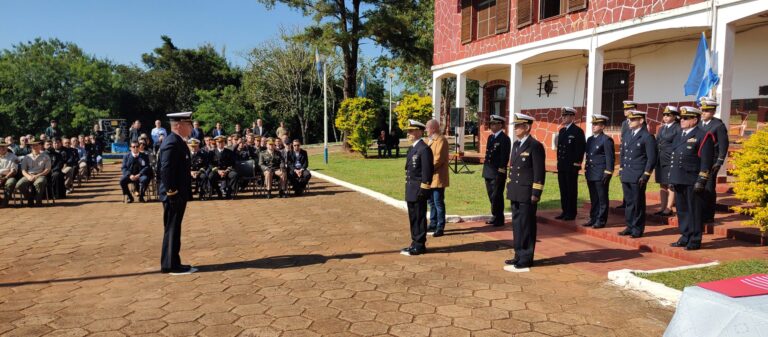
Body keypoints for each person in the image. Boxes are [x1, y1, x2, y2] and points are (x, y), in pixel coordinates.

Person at [669, 106, 715, 251]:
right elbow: (675, 158)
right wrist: (672, 178)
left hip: (692, 180)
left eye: (686, 118)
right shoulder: (679, 134)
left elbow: (706, 161)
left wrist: (701, 180)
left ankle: (695, 239)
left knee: (694, 211)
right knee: (682, 210)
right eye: (681, 118)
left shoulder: (703, 136)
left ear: (695, 119)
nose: (682, 120)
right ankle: (685, 236)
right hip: (679, 178)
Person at [504, 113, 545, 273]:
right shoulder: (515, 145)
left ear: (527, 127)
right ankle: (518, 253)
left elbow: (539, 172)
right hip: (515, 191)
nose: (515, 128)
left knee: (526, 225)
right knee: (516, 225)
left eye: (518, 126)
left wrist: (536, 192)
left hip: (527, 192)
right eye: (515, 126)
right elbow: (513, 168)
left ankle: (526, 257)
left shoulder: (535, 146)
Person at [158, 111, 196, 275]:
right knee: (172, 228)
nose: (191, 127)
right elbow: (166, 170)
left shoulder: (177, 141)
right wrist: (172, 193)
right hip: (173, 194)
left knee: (174, 227)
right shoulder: (171, 143)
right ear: (179, 125)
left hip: (178, 193)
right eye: (189, 124)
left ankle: (173, 261)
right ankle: (170, 265)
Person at [618, 110, 657, 238]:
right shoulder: (628, 134)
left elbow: (651, 158)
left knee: (638, 203)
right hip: (627, 173)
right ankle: (629, 226)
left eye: (633, 119)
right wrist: (622, 168)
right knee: (629, 202)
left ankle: (637, 228)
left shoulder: (647, 136)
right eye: (629, 119)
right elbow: (623, 154)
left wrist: (646, 174)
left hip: (638, 175)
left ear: (641, 121)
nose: (630, 121)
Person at [401, 120, 434, 256]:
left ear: (420, 132)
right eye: (408, 131)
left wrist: (424, 190)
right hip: (411, 189)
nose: (409, 133)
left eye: (411, 131)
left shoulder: (424, 149)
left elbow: (427, 172)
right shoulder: (413, 148)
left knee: (419, 217)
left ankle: (420, 245)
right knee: (413, 217)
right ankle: (414, 242)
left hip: (419, 190)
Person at [698, 97, 729, 223]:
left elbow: (723, 145)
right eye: (702, 110)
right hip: (699, 160)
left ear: (713, 111)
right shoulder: (699, 124)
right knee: (699, 186)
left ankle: (709, 215)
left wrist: (719, 161)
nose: (703, 113)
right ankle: (700, 211)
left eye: (706, 110)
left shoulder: (718, 125)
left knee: (709, 187)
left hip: (712, 161)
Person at [583, 114, 615, 229]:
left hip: (601, 173)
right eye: (593, 124)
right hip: (591, 172)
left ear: (602, 126)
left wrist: (608, 171)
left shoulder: (606, 140)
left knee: (602, 198)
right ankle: (593, 218)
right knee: (593, 198)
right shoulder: (590, 139)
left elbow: (609, 157)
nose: (594, 126)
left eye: (596, 124)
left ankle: (601, 220)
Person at [555, 107, 585, 221]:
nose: (563, 117)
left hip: (571, 166)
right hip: (562, 165)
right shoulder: (562, 131)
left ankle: (571, 212)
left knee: (571, 189)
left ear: (572, 117)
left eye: (566, 116)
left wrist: (577, 163)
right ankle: (564, 211)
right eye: (562, 115)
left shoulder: (577, 131)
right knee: (563, 189)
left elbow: (580, 149)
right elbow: (559, 149)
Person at [482, 115, 511, 227]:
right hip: (488, 171)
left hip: (497, 172)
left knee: (497, 195)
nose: (491, 126)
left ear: (500, 125)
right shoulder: (491, 137)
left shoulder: (504, 139)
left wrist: (500, 172)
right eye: (491, 124)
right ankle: (495, 215)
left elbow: (504, 157)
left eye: (494, 124)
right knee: (491, 195)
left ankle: (499, 218)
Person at [655, 106, 681, 216]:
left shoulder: (677, 128)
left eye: (668, 115)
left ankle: (669, 207)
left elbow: (677, 145)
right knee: (662, 184)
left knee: (671, 185)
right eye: (664, 115)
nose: (665, 117)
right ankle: (662, 207)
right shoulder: (661, 128)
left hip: (670, 159)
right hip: (660, 159)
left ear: (675, 116)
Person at [426, 120, 449, 237]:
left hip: (438, 176)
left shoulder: (441, 140)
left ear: (433, 128)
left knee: (438, 202)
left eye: (427, 128)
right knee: (431, 202)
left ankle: (440, 226)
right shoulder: (430, 140)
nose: (426, 130)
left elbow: (438, 159)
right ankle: (433, 223)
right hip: (430, 176)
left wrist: (426, 169)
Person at [16, 140, 51, 207]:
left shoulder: (46, 156)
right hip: (29, 175)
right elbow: (23, 170)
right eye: (33, 145)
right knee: (19, 185)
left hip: (41, 175)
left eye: (36, 145)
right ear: (31, 147)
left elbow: (47, 169)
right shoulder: (27, 157)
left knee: (40, 182)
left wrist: (37, 175)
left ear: (40, 146)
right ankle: (30, 198)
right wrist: (28, 176)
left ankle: (38, 201)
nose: (34, 147)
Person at [0, 142, 19, 207]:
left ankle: (5, 203)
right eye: (0, 146)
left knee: (11, 182)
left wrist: (5, 178)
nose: (2, 148)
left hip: (9, 176)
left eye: (3, 146)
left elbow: (13, 171)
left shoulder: (13, 156)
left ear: (7, 147)